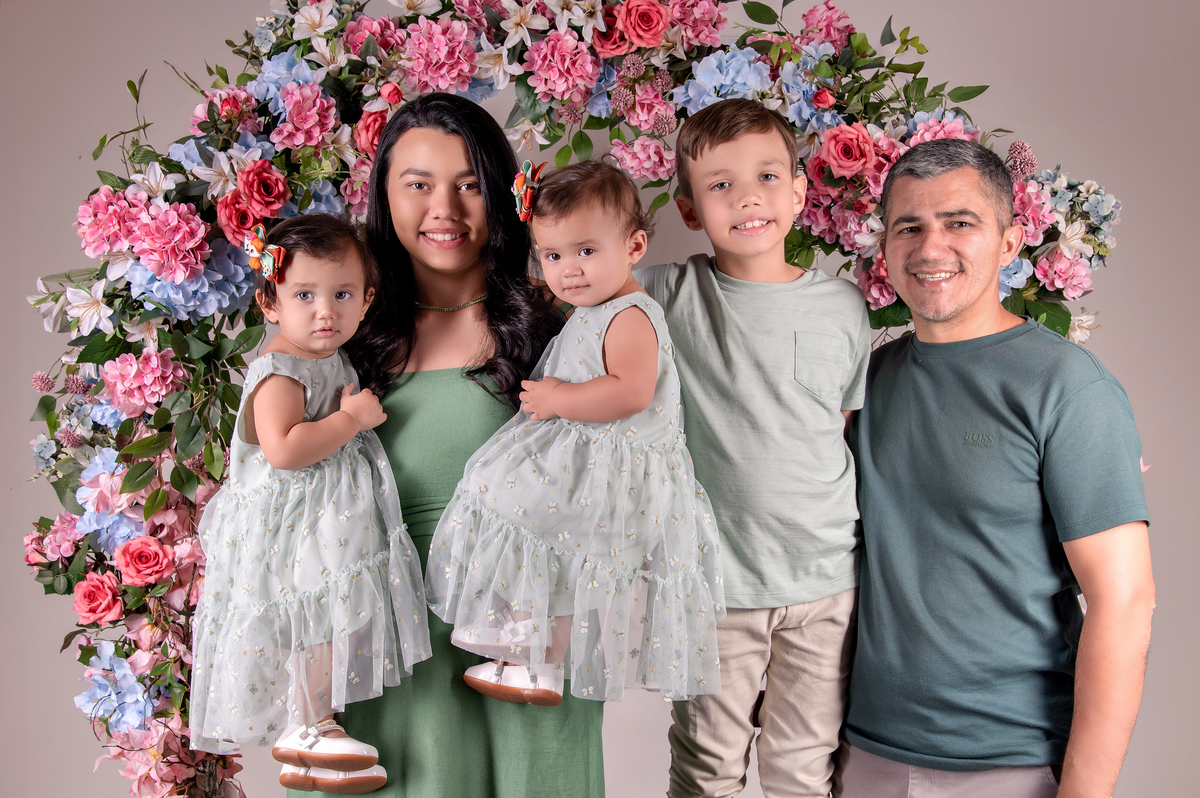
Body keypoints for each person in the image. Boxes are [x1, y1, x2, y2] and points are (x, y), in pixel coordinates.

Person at [295, 93, 604, 798]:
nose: (445, 209)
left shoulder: (561, 323)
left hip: (520, 637)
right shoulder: (336, 333)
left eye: (469, 185)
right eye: (419, 184)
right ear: (383, 197)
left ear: (502, 194)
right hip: (377, 639)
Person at [838, 138, 1155, 798]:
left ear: (1010, 242)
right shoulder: (865, 382)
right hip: (864, 755)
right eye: (908, 228)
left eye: (959, 223)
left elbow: (1124, 602)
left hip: (1011, 763)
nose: (930, 248)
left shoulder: (1067, 387)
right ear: (884, 248)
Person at [425, 160, 725, 706]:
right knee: (543, 536)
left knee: (541, 524)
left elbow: (630, 392)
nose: (568, 271)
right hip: (592, 459)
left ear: (634, 247)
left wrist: (558, 398)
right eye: (552, 255)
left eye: (586, 251)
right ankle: (528, 650)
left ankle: (535, 653)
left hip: (618, 471)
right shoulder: (593, 306)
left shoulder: (631, 315)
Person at [638, 98, 872, 797]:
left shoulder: (843, 306)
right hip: (718, 586)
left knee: (803, 766)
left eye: (768, 177)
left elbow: (843, 427)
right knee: (706, 767)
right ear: (688, 210)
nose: (748, 197)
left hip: (824, 581)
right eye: (721, 185)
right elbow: (571, 270)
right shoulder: (665, 295)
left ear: (798, 193)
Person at [189, 214, 432, 795]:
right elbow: (284, 450)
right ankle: (309, 723)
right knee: (313, 616)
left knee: (327, 614)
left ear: (367, 299)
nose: (325, 312)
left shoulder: (324, 355)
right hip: (290, 520)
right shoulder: (280, 370)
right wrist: (351, 420)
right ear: (269, 303)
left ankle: (312, 741)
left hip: (321, 513)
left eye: (342, 295)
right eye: (304, 296)